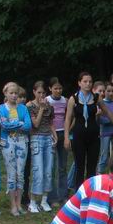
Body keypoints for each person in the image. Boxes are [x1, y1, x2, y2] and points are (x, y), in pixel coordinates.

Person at [65, 71, 113, 191]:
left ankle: (91, 192)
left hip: (94, 136)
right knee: (79, 166)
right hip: (79, 136)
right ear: (79, 83)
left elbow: (108, 112)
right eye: (85, 81)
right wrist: (66, 137)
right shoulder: (73, 99)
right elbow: (68, 118)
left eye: (90, 81)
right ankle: (79, 194)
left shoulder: (96, 98)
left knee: (92, 167)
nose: (88, 84)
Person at [0, 82, 31, 216]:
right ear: (5, 93)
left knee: (20, 174)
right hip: (8, 143)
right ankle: (12, 205)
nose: (14, 95)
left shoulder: (23, 108)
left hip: (22, 143)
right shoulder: (1, 108)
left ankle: (19, 203)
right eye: (11, 93)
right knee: (11, 174)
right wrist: (19, 123)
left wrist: (14, 124)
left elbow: (28, 126)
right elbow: (4, 125)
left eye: (16, 93)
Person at [27, 81, 56, 213]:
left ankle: (44, 200)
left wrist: (54, 135)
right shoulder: (30, 106)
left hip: (48, 138)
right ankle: (33, 201)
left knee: (48, 170)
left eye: (44, 93)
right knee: (38, 171)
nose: (41, 95)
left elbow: (50, 123)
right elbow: (36, 124)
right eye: (39, 92)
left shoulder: (50, 106)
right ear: (34, 92)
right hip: (36, 138)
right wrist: (42, 108)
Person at [46, 77, 68, 206]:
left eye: (60, 88)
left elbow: (68, 117)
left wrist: (67, 131)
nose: (58, 90)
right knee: (52, 167)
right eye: (55, 88)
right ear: (50, 89)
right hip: (51, 134)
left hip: (63, 133)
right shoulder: (47, 101)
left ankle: (63, 195)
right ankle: (52, 197)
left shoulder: (65, 100)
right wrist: (52, 133)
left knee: (62, 166)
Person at [97, 82, 113, 174]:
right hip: (104, 133)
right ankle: (99, 175)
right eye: (108, 91)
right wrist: (111, 118)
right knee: (104, 156)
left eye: (112, 91)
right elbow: (100, 121)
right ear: (105, 92)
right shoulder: (101, 103)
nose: (111, 93)